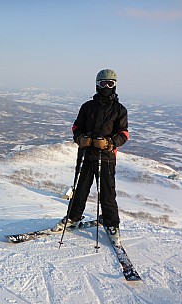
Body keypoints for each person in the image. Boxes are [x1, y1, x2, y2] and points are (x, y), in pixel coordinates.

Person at [53, 69, 129, 246]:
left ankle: (112, 225)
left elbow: (124, 134)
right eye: (104, 83)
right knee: (80, 189)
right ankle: (73, 217)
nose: (107, 87)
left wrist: (109, 143)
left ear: (115, 86)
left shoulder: (119, 110)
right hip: (86, 155)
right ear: (97, 85)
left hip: (107, 157)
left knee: (107, 194)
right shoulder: (87, 107)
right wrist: (80, 138)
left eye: (110, 84)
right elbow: (76, 127)